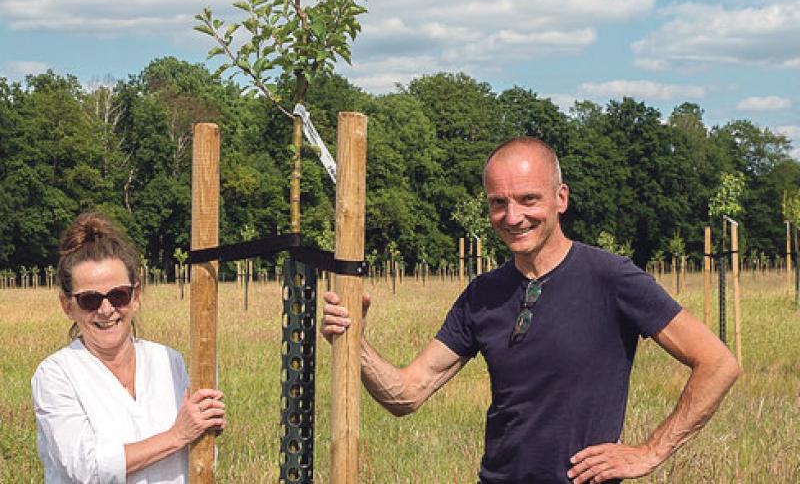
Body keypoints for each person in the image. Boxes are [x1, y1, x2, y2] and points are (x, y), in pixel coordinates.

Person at [322, 137, 740, 483]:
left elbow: (718, 363)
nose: (513, 216)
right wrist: (353, 341)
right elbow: (407, 393)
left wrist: (649, 452)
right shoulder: (483, 294)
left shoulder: (611, 278)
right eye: (498, 202)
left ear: (561, 198)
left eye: (528, 199)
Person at [31, 212, 225, 483]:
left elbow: (201, 455)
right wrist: (177, 435)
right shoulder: (55, 375)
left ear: (136, 297)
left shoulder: (170, 361)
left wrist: (207, 428)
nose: (107, 310)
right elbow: (87, 468)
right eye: (90, 300)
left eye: (118, 295)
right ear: (67, 306)